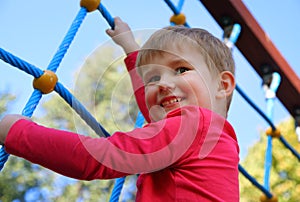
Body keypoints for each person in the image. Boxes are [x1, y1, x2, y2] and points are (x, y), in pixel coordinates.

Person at [0, 17, 239, 201]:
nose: (163, 84)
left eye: (181, 70)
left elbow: (94, 158)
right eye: (154, 77)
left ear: (222, 84)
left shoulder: (193, 125)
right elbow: (153, 110)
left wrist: (17, 133)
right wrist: (130, 47)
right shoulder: (217, 140)